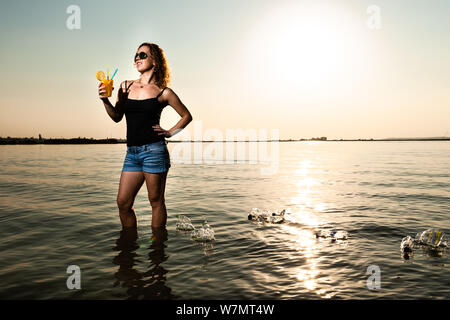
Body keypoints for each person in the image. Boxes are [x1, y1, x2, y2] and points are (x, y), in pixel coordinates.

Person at [98, 42, 193, 229]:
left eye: (142, 55)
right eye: (135, 56)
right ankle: (129, 244)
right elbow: (117, 117)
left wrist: (170, 132)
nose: (137, 59)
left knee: (155, 202)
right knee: (123, 202)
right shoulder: (125, 86)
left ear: (155, 60)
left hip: (154, 151)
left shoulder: (164, 92)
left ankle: (157, 248)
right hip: (132, 153)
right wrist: (105, 101)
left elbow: (186, 116)